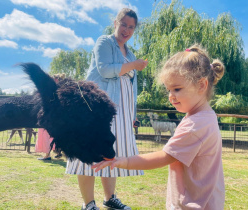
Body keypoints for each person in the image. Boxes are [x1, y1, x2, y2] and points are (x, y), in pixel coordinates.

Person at [93, 45, 225, 209]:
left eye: (177, 89)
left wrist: (123, 161)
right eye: (168, 89)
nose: (171, 96)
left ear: (201, 85)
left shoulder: (195, 125)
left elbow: (164, 156)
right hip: (207, 202)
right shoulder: (206, 117)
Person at [65, 8, 148, 210]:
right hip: (97, 109)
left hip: (121, 111)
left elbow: (131, 89)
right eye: (124, 24)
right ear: (115, 23)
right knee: (89, 153)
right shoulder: (104, 42)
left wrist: (132, 115)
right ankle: (89, 203)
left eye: (131, 27)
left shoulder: (130, 53)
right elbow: (105, 70)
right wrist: (135, 65)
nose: (127, 30)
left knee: (112, 153)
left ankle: (110, 198)